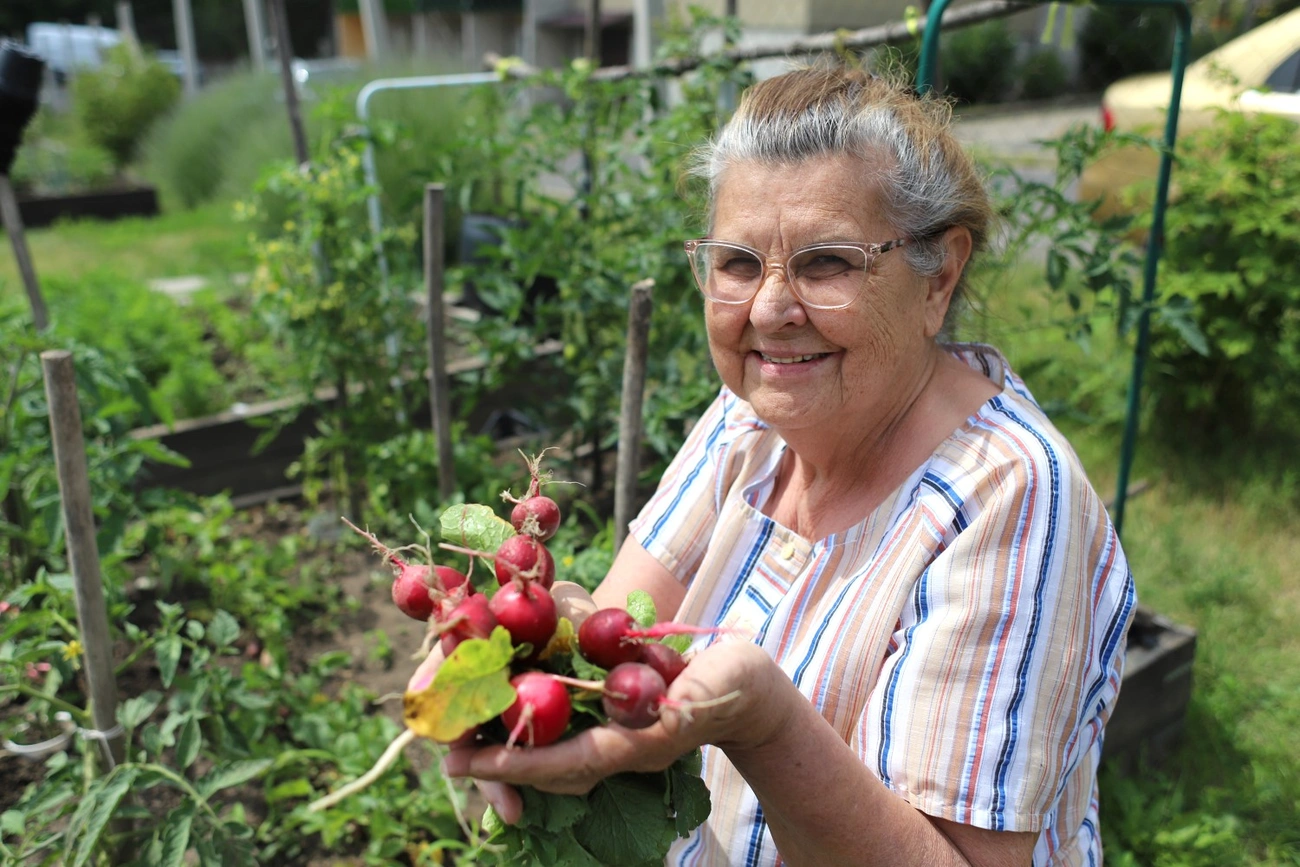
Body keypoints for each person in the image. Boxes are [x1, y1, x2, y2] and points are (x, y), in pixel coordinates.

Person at [418, 64, 1136, 866]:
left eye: (827, 263)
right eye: (737, 262)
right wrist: (513, 643)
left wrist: (764, 724)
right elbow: (616, 629)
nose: (769, 309)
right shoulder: (750, 415)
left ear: (940, 277)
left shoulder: (1009, 495)